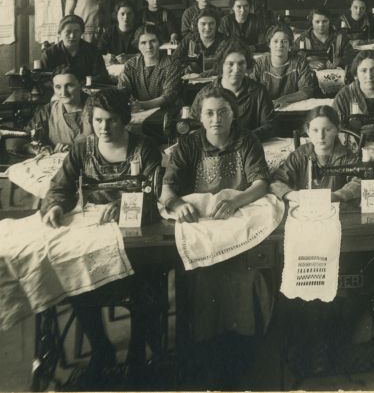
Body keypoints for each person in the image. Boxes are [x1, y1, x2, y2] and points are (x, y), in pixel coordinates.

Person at [41, 89, 165, 386]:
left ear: (124, 120)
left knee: (145, 286)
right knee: (75, 281)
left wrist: (125, 205)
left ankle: (137, 353)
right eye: (98, 121)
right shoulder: (82, 148)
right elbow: (61, 186)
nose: (104, 128)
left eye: (111, 121)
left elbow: (156, 193)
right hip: (92, 231)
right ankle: (102, 349)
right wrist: (56, 205)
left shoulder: (145, 148)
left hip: (136, 230)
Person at [160, 86, 273, 389]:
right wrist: (177, 204)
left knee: (246, 278)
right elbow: (168, 189)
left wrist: (237, 200)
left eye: (223, 112)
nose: (216, 119)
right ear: (199, 115)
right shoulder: (187, 146)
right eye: (209, 112)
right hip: (204, 227)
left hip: (237, 223)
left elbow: (261, 182)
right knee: (201, 281)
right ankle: (206, 362)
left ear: (233, 114)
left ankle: (243, 358)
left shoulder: (247, 141)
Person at [270, 105, 361, 203]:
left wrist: (339, 195)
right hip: (305, 208)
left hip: (336, 208)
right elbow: (276, 181)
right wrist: (292, 195)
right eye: (315, 130)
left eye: (327, 130)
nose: (321, 136)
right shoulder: (299, 155)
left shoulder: (347, 156)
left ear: (337, 130)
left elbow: (360, 181)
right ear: (308, 131)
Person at [192, 42, 276, 141]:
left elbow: (269, 126)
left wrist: (240, 140)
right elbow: (194, 128)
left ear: (247, 65)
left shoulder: (259, 91)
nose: (236, 69)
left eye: (241, 63)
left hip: (249, 148)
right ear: (221, 65)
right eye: (230, 64)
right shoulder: (204, 94)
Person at [118, 25, 183, 139]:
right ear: (137, 45)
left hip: (166, 115)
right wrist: (127, 101)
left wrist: (142, 105)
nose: (149, 46)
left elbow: (168, 96)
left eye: (153, 41)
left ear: (160, 42)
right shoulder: (131, 65)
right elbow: (122, 90)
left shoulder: (172, 63)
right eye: (143, 43)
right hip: (138, 114)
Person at [28, 66, 92, 152]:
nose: (63, 92)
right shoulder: (48, 111)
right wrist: (39, 149)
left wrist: (74, 150)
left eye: (69, 86)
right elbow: (25, 138)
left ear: (81, 83)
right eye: (58, 87)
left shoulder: (97, 108)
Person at [253, 25, 319, 108]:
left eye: (284, 41)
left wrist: (284, 99)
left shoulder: (300, 62)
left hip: (292, 108)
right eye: (275, 41)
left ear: (290, 45)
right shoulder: (260, 63)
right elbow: (251, 90)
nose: (280, 45)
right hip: (265, 108)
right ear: (269, 44)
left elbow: (306, 90)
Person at [41, 14, 109, 82]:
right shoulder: (49, 54)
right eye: (68, 32)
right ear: (60, 33)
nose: (72, 36)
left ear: (82, 33)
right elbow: (44, 80)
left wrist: (80, 82)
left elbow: (102, 77)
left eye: (76, 31)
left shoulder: (93, 52)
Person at [174, 8, 229, 76]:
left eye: (211, 23)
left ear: (216, 24)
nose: (207, 28)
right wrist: (186, 69)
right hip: (192, 81)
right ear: (196, 25)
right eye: (203, 24)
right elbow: (174, 60)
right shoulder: (189, 40)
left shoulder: (225, 41)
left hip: (219, 81)